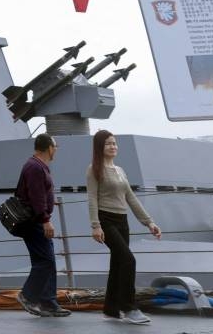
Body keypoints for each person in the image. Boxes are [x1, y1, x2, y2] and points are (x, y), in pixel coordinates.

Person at [88, 130, 162, 324]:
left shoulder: (120, 170)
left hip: (122, 220)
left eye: (114, 143)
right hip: (106, 220)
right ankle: (129, 308)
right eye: (108, 144)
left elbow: (130, 197)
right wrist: (96, 225)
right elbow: (92, 199)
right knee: (129, 260)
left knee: (118, 264)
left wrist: (149, 222)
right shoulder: (94, 169)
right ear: (100, 148)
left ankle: (111, 309)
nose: (113, 146)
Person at [15, 134, 70, 317]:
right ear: (49, 147)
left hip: (37, 220)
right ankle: (27, 296)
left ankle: (48, 302)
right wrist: (45, 220)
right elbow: (37, 197)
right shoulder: (34, 167)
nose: (56, 150)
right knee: (45, 261)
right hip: (34, 222)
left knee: (48, 260)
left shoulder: (37, 166)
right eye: (55, 146)